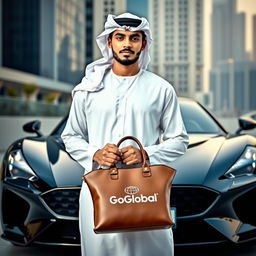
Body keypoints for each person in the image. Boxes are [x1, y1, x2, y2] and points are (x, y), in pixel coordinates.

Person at [61, 12, 189, 256]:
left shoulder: (161, 89)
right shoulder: (88, 89)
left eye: (134, 38)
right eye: (120, 37)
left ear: (144, 43)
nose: (127, 44)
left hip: (147, 192)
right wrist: (95, 153)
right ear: (110, 42)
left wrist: (145, 154)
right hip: (98, 190)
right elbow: (71, 136)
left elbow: (179, 141)